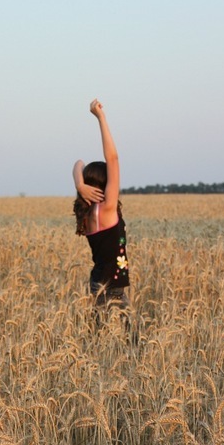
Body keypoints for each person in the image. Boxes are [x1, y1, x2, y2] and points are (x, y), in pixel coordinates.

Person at [73, 99, 130, 311]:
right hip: (111, 288)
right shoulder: (106, 208)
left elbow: (79, 163)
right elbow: (113, 159)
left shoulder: (88, 213)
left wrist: (80, 184)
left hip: (99, 281)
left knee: (99, 328)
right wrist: (101, 118)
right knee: (127, 331)